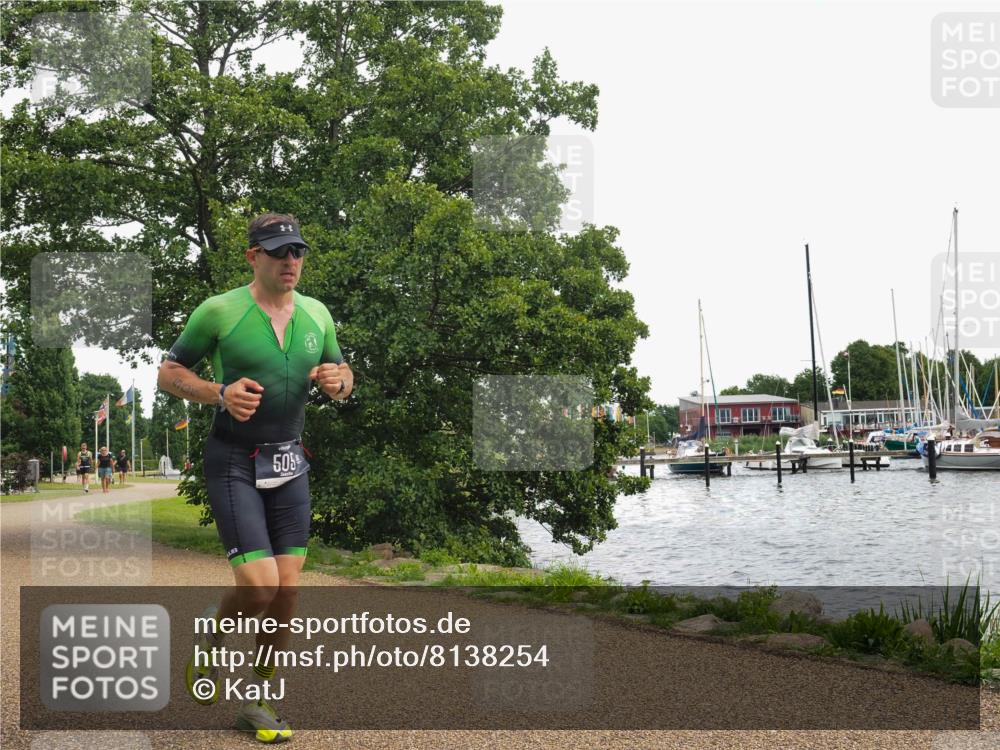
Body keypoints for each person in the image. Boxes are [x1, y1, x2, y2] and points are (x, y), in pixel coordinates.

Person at [158, 212, 352, 744]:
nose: (291, 261)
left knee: (286, 592)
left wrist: (340, 381)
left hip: (290, 463)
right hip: (234, 461)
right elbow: (170, 373)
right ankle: (211, 635)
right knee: (260, 585)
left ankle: (258, 702)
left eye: (298, 252)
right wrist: (219, 393)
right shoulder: (218, 311)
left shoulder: (317, 314)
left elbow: (342, 375)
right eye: (279, 251)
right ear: (253, 256)